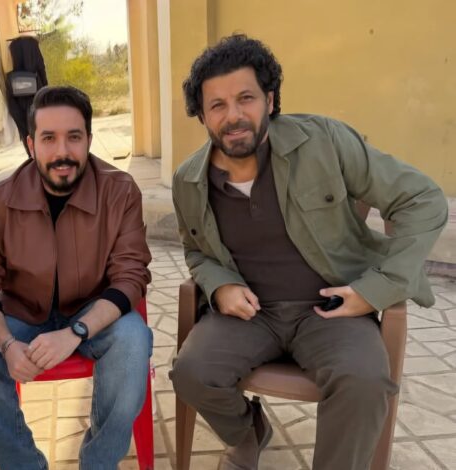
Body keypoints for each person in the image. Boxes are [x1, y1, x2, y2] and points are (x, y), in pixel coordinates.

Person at [169, 34, 447, 470]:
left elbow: (423, 200)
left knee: (364, 381)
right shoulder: (189, 179)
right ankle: (248, 434)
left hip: (331, 309)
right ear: (202, 116)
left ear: (270, 99)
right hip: (250, 315)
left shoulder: (324, 142)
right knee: (191, 373)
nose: (233, 116)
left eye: (246, 98)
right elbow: (196, 250)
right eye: (217, 105)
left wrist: (376, 289)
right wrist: (220, 285)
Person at [0, 85, 152, 470]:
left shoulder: (120, 191)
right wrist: (7, 345)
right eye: (48, 138)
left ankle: (98, 464)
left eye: (74, 137)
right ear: (30, 145)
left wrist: (75, 332)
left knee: (133, 341)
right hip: (21, 315)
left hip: (93, 313)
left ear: (89, 140)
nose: (62, 152)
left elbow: (131, 275)